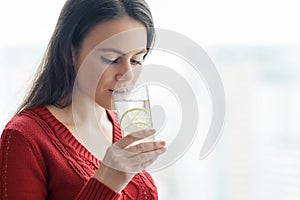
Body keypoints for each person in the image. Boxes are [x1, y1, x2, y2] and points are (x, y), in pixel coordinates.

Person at [0, 0, 166, 199]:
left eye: (136, 60)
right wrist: (106, 183)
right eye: (112, 59)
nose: (127, 74)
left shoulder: (125, 129)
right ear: (70, 52)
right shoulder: (24, 138)